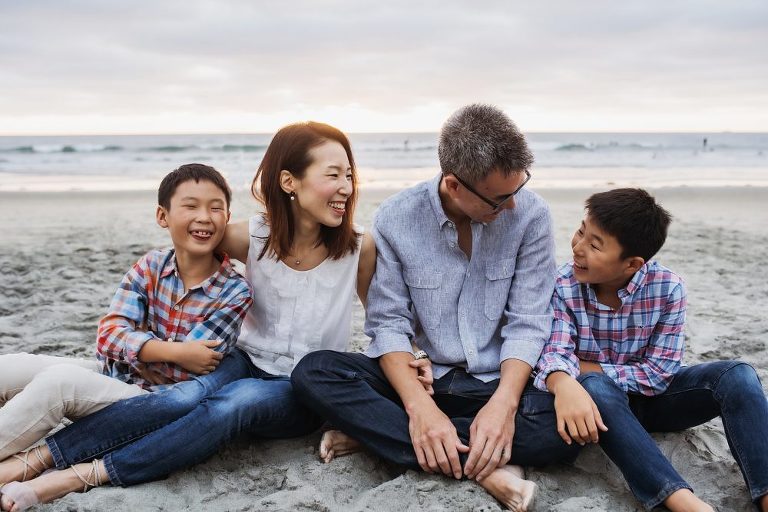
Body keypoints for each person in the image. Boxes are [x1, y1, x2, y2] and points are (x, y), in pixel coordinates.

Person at [0, 121, 382, 511]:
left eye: (349, 175)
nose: (346, 187)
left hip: (299, 386)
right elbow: (185, 253)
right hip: (242, 360)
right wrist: (157, 349)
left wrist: (387, 381)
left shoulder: (357, 247)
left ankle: (78, 475)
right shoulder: (250, 236)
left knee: (234, 402)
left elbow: (381, 324)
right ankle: (34, 460)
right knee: (183, 397)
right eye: (333, 175)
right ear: (289, 181)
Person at [291, 104, 580, 512]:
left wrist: (504, 405)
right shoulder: (396, 217)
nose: (512, 205)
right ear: (454, 185)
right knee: (314, 372)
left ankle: (373, 436)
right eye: (500, 199)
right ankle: (478, 461)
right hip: (426, 380)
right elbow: (388, 323)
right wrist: (420, 408)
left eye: (517, 189)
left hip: (500, 382)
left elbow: (530, 322)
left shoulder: (531, 215)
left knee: (570, 424)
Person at [0, 163, 252, 498]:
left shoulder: (235, 291)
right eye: (191, 206)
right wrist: (166, 349)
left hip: (149, 402)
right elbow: (108, 335)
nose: (205, 217)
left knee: (60, 382)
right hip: (111, 374)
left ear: (227, 217)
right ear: (163, 216)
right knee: (10, 367)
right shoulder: (151, 266)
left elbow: (188, 366)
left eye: (215, 207)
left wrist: (139, 346)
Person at [534, 188, 768, 511]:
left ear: (631, 264)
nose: (577, 247)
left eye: (595, 244)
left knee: (738, 376)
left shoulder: (668, 288)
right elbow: (554, 357)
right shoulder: (563, 286)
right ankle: (681, 501)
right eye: (581, 232)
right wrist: (579, 376)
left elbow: (658, 375)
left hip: (656, 402)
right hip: (599, 409)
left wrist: (586, 367)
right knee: (595, 387)